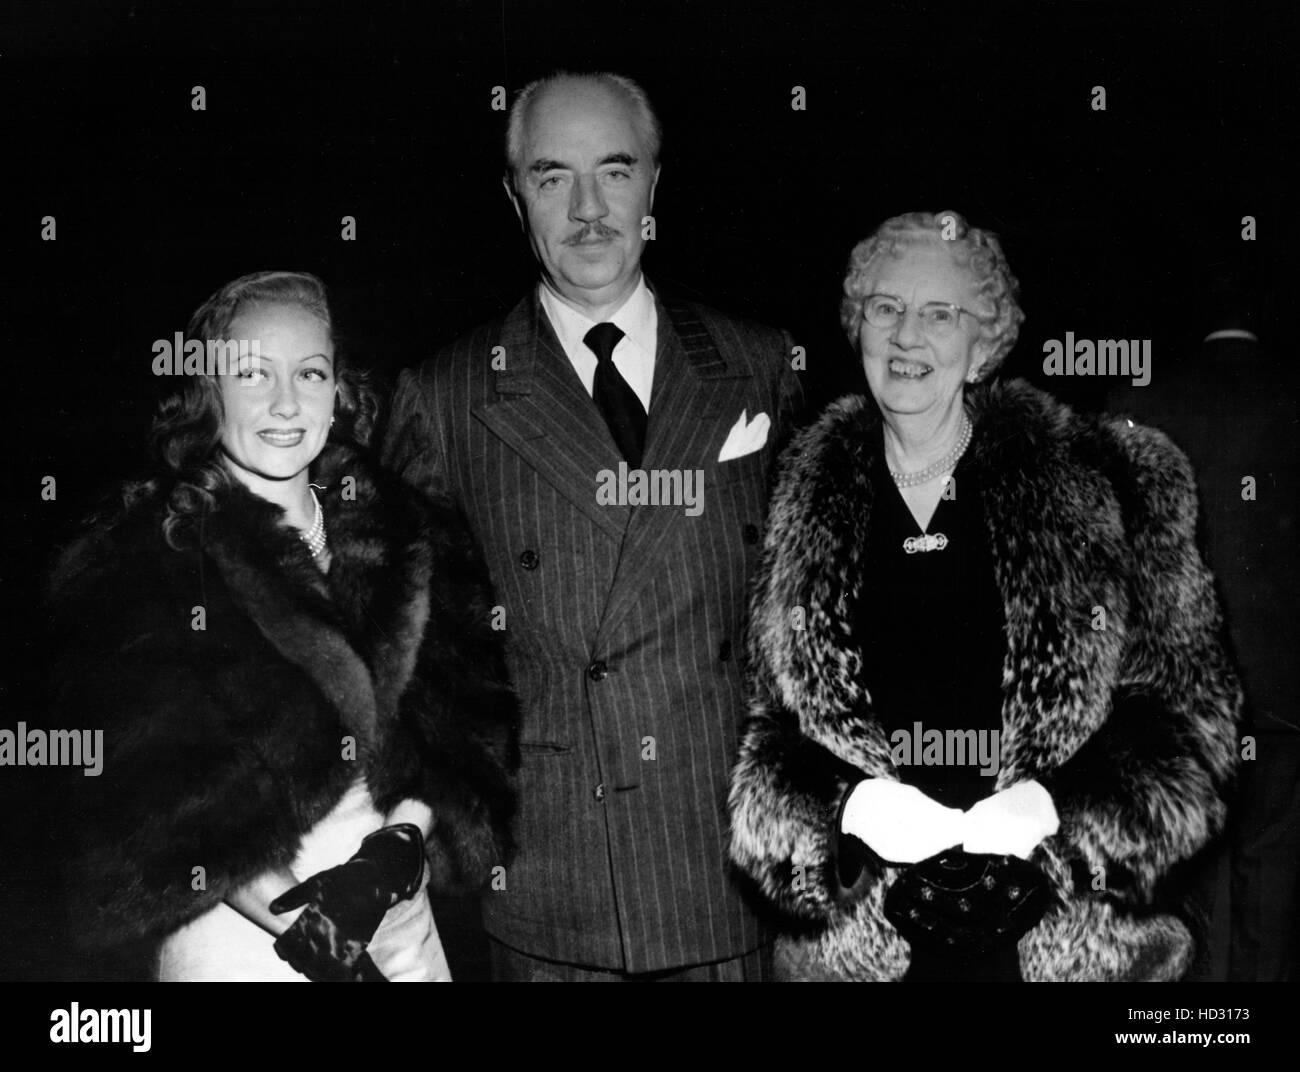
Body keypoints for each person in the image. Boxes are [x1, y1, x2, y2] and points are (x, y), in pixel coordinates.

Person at [728, 211, 1243, 981]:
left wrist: (1057, 808)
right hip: (868, 945)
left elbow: (1196, 732)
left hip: (1066, 941)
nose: (907, 336)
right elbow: (767, 740)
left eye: (941, 313)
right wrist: (846, 811)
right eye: (885, 308)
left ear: (985, 342)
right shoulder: (803, 496)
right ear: (855, 324)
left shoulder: (1118, 483)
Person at [383, 71, 803, 981]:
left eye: (614, 172)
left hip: (726, 875)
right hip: (553, 887)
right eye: (549, 176)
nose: (586, 210)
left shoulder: (760, 364)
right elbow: (419, 667)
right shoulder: (449, 395)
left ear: (654, 181)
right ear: (513, 196)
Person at [46, 271, 519, 981]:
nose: (285, 402)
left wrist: (399, 847)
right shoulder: (147, 563)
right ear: (207, 390)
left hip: (399, 919)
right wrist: (316, 932)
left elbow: (466, 737)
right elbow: (157, 817)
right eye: (253, 374)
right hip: (246, 938)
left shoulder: (409, 532)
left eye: (310, 372)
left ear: (339, 390)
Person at [1104, 272, 1300, 981]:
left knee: (1188, 871)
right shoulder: (1290, 394)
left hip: (1175, 695)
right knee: (1272, 861)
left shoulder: (1140, 400)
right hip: (1283, 687)